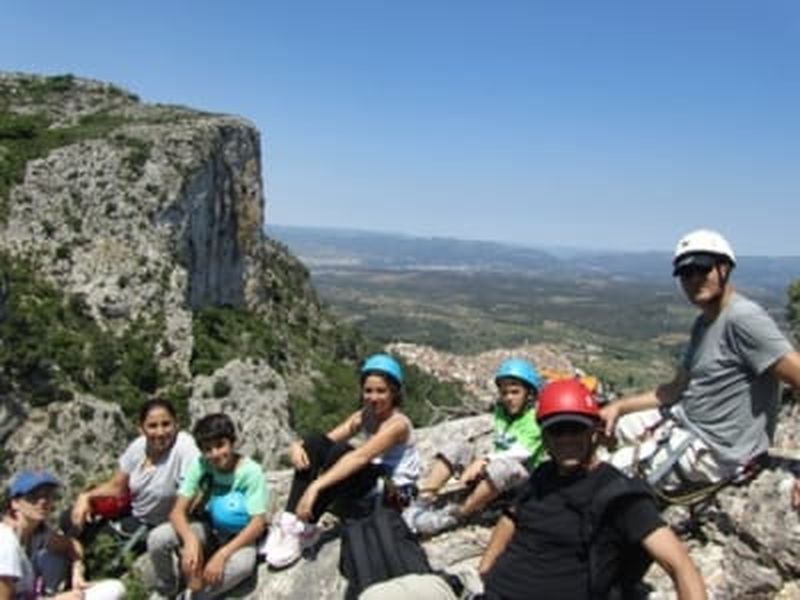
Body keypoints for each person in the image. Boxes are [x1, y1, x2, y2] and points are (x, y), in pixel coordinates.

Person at [360, 380, 707, 600]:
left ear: (594, 432)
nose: (567, 439)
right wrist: (483, 573)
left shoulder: (619, 495)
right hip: (479, 591)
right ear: (545, 436)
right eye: (557, 431)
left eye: (575, 429)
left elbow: (681, 567)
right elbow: (511, 519)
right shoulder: (542, 476)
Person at [600, 229, 800, 499]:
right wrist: (619, 407)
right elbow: (675, 389)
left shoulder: (743, 319)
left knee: (603, 479)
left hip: (714, 449)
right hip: (686, 420)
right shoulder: (704, 322)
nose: (694, 280)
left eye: (702, 270)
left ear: (724, 268)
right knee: (594, 431)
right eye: (686, 273)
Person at [262, 353, 421, 569]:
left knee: (343, 453)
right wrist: (297, 446)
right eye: (368, 391)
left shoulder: (397, 425)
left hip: (394, 492)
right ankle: (290, 522)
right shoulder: (364, 416)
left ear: (394, 392)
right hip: (371, 481)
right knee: (315, 441)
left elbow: (360, 456)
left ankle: (305, 529)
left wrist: (315, 487)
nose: (373, 397)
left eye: (381, 391)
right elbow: (324, 441)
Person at [406, 358, 546, 536]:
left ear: (529, 394)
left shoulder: (535, 419)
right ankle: (424, 500)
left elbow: (521, 453)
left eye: (515, 392)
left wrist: (485, 460)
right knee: (458, 447)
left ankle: (458, 515)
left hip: (520, 479)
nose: (508, 398)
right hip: (494, 471)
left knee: (505, 467)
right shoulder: (502, 411)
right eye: (504, 393)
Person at [148, 413, 268, 599]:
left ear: (232, 442)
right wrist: (190, 540)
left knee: (243, 566)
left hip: (237, 536)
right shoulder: (202, 465)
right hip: (208, 528)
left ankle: (193, 596)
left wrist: (222, 555)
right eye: (208, 449)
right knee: (158, 538)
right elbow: (177, 512)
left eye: (220, 445)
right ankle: (167, 589)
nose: (215, 454)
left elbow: (257, 523)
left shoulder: (251, 472)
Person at [64, 398, 199, 555]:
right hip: (131, 512)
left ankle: (82, 567)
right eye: (153, 426)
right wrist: (85, 497)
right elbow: (117, 486)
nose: (160, 432)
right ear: (141, 429)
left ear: (176, 424)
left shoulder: (184, 446)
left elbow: (191, 491)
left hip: (154, 524)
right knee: (69, 517)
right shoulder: (138, 447)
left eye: (166, 424)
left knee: (98, 544)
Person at [1, 470, 125, 600]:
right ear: (15, 503)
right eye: (33, 496)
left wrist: (77, 572)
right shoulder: (6, 543)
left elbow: (72, 545)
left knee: (115, 588)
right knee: (114, 590)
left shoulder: (38, 532)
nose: (42, 501)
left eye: (47, 495)